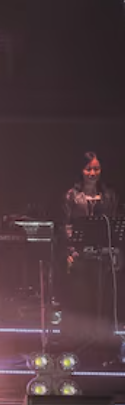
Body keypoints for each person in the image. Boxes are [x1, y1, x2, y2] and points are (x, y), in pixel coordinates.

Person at [61, 151, 122, 367]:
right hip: (80, 257)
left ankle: (104, 349)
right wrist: (70, 249)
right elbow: (65, 225)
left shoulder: (109, 195)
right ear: (81, 170)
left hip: (103, 257)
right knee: (82, 301)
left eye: (96, 169)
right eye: (89, 169)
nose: (93, 173)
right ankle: (80, 348)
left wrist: (116, 251)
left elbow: (115, 224)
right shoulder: (71, 195)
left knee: (104, 302)